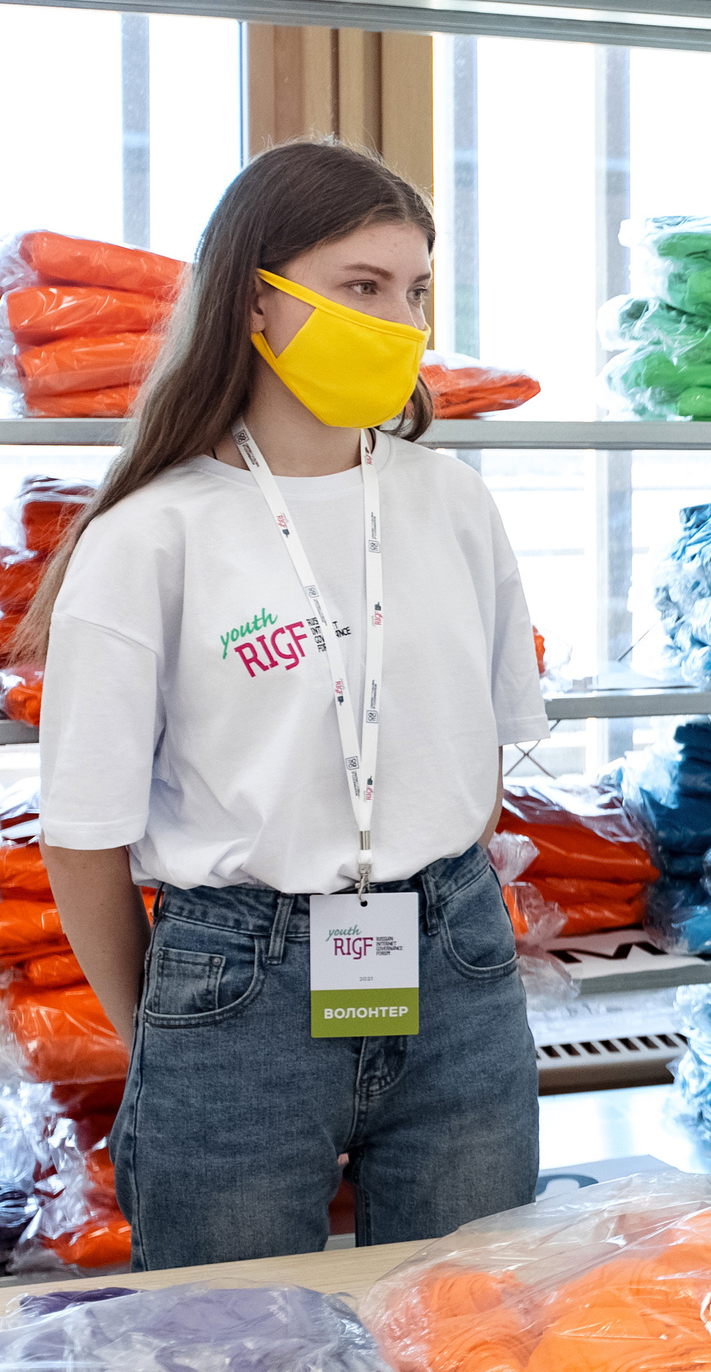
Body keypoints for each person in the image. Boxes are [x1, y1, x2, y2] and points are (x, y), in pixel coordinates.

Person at [25, 139, 548, 1270]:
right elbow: (83, 834)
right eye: (361, 287)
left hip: (453, 960)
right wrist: (167, 1032)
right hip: (235, 980)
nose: (398, 321)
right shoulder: (147, 538)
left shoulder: (452, 502)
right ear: (253, 302)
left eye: (413, 290)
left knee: (466, 1335)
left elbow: (480, 751)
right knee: (242, 1371)